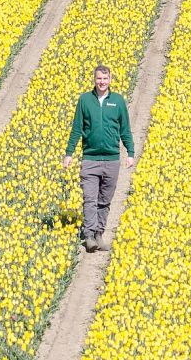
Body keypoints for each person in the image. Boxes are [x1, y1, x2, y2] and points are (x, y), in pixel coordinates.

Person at [63, 65, 135, 253]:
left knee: (104, 200)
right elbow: (76, 128)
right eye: (98, 79)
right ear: (94, 80)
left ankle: (98, 235)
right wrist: (69, 154)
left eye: (105, 79)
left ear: (110, 79)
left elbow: (125, 129)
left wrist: (131, 152)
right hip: (90, 159)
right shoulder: (85, 100)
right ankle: (89, 236)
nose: (102, 82)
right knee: (89, 199)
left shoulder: (118, 101)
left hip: (111, 160)